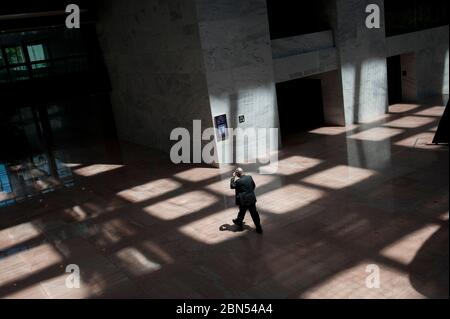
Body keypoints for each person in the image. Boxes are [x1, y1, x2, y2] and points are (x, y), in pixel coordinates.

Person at [230, 167, 263, 234]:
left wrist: (233, 178)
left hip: (243, 201)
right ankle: (259, 228)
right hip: (251, 199)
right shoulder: (249, 177)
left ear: (237, 174)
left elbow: (232, 186)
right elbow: (253, 186)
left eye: (236, 174)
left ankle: (239, 223)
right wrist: (249, 192)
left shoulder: (238, 181)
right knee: (254, 214)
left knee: (242, 212)